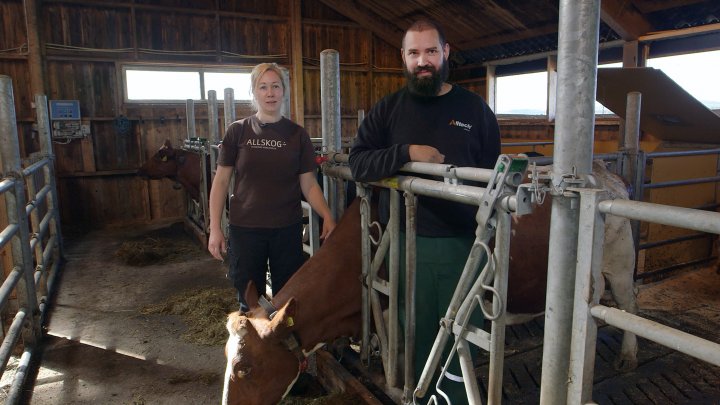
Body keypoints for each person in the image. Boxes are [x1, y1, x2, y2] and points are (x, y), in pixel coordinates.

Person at [348, 20, 501, 405]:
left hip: (461, 244)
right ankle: (418, 396)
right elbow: (358, 162)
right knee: (411, 328)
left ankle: (455, 399)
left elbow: (492, 176)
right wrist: (407, 153)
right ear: (404, 57)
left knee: (459, 332)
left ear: (445, 53)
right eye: (414, 53)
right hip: (405, 243)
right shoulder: (389, 109)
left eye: (431, 52)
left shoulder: (475, 109)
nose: (423, 61)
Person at [208, 62, 336, 312]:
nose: (270, 93)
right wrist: (215, 228)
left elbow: (308, 184)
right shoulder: (238, 131)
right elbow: (221, 181)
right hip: (245, 229)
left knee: (287, 298)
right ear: (254, 92)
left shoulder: (297, 135)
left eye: (275, 86)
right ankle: (252, 348)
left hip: (286, 230)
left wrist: (327, 215)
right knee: (249, 299)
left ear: (283, 91)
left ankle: (282, 349)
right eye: (263, 87)